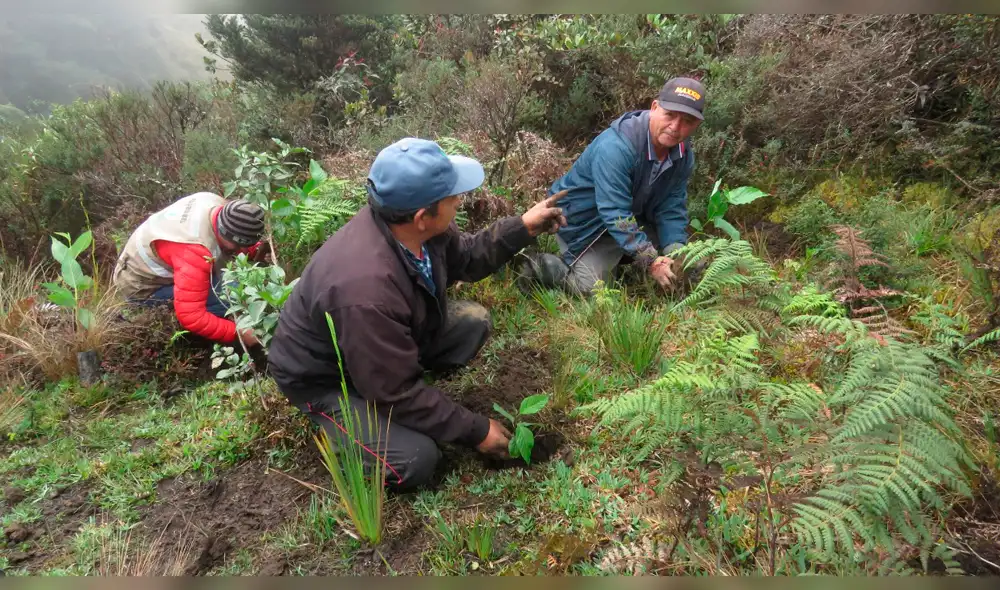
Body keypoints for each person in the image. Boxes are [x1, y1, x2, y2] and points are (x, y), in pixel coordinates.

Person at [267, 138, 566, 490]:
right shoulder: (365, 289)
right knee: (416, 460)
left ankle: (400, 390)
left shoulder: (415, 228)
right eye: (453, 197)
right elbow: (393, 391)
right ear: (423, 216)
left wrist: (524, 227)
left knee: (473, 322)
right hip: (327, 379)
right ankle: (341, 430)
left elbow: (467, 257)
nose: (459, 201)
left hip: (374, 349)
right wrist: (477, 430)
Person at [519, 77, 706, 295]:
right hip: (586, 225)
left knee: (693, 263)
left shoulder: (682, 154)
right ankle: (541, 265)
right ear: (655, 107)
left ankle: (626, 259)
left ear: (697, 125)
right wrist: (651, 260)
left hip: (630, 218)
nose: (675, 127)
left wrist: (676, 252)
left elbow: (671, 207)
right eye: (670, 115)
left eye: (687, 121)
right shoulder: (616, 147)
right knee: (593, 290)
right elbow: (614, 212)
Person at [112, 193, 267, 346]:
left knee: (239, 283)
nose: (241, 250)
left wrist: (254, 249)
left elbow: (237, 235)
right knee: (234, 294)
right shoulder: (194, 250)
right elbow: (192, 316)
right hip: (141, 287)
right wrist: (239, 333)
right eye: (238, 246)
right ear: (224, 232)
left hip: (159, 260)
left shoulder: (214, 202)